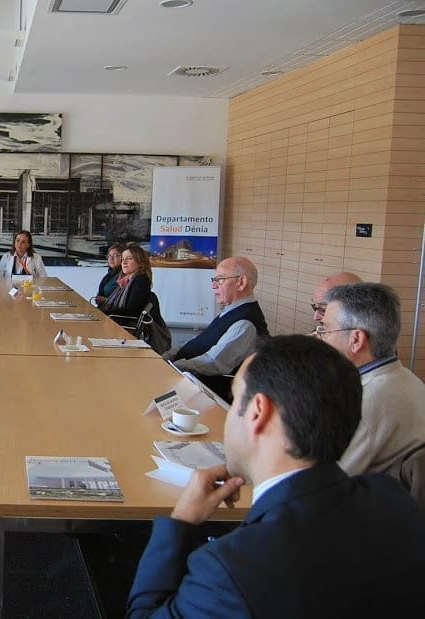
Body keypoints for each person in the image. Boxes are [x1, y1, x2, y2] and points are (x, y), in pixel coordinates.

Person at [128, 335, 425, 618]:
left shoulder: (231, 569)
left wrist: (180, 522)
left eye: (233, 401)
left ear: (258, 412)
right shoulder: (392, 497)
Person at [317, 282, 425, 476]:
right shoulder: (405, 378)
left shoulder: (369, 402)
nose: (320, 337)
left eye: (325, 330)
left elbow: (322, 480)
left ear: (356, 339)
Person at [166, 256, 268, 400]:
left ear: (241, 282)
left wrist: (173, 367)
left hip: (207, 393)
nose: (214, 286)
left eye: (220, 280)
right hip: (189, 380)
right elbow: (200, 340)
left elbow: (214, 363)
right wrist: (167, 356)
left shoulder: (245, 323)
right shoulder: (231, 310)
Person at [97, 245, 152, 319]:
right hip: (115, 319)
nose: (124, 262)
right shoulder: (126, 280)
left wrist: (101, 314)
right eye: (123, 259)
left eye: (129, 259)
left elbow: (132, 311)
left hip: (122, 325)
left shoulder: (141, 281)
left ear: (140, 262)